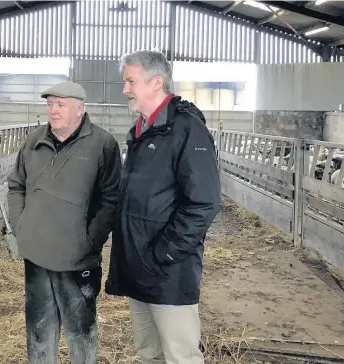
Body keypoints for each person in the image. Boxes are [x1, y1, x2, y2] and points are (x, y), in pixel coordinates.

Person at [104, 50, 221, 364]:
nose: (125, 89)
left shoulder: (186, 129)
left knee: (180, 356)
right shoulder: (143, 130)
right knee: (149, 354)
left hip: (169, 270)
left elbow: (204, 202)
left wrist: (164, 253)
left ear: (156, 82)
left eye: (130, 81)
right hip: (138, 266)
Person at [7, 81, 122, 364]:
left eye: (61, 105)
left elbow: (111, 200)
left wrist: (89, 241)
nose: (53, 110)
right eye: (49, 104)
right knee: (38, 330)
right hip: (36, 254)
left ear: (80, 109)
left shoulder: (102, 145)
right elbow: (16, 185)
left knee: (80, 332)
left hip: (76, 259)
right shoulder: (33, 141)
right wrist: (20, 225)